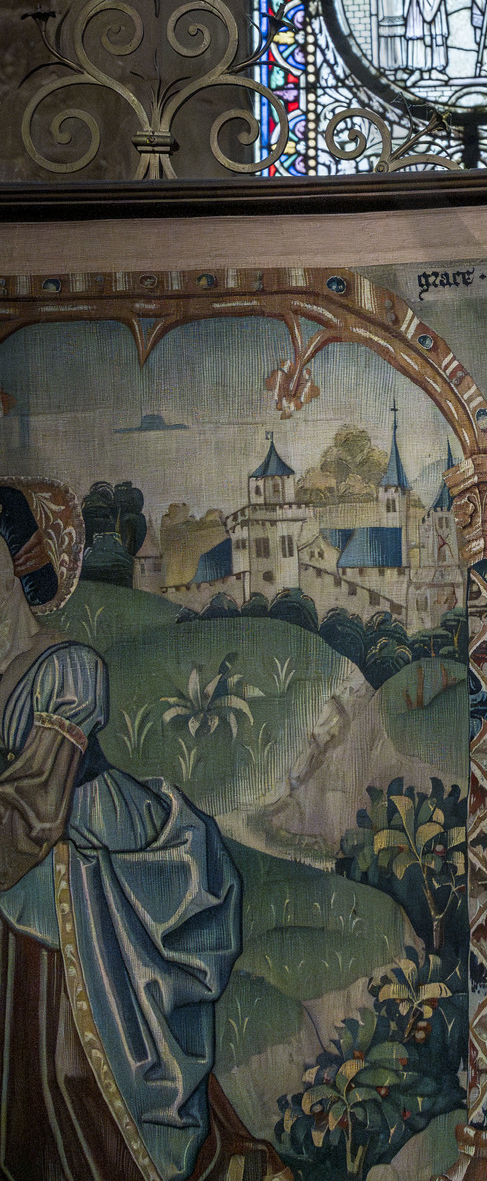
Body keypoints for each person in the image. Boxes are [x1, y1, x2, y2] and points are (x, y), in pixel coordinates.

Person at [0, 476, 274, 1181]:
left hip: (91, 869)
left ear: (18, 563)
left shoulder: (68, 668)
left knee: (83, 1068)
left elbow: (38, 806)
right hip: (25, 869)